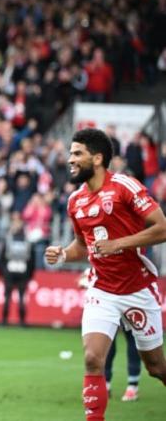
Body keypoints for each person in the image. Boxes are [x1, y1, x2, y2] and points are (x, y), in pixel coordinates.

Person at [45, 128, 166, 421]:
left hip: (138, 288)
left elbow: (162, 228)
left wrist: (118, 244)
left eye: (77, 154)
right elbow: (81, 245)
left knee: (156, 368)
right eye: (71, 153)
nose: (70, 159)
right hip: (102, 291)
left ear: (97, 158)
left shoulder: (125, 186)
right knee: (92, 358)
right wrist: (62, 254)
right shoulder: (75, 201)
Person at [78, 268, 141, 402]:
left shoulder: (128, 253)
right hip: (107, 304)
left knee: (132, 340)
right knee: (106, 343)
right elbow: (86, 276)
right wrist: (85, 280)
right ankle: (105, 383)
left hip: (130, 298)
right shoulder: (100, 257)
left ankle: (132, 385)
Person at [0, 212, 35, 326]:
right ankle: (18, 321)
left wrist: (0, 272)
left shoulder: (9, 239)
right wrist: (30, 274)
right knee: (17, 297)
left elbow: (2, 257)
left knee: (13, 297)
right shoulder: (26, 240)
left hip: (14, 271)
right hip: (19, 271)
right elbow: (31, 260)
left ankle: (7, 321)